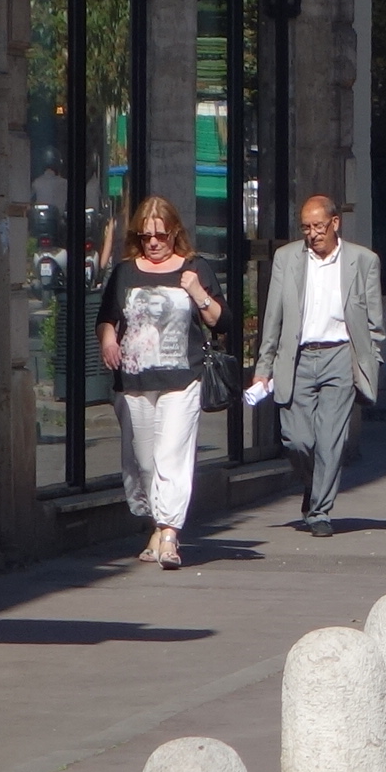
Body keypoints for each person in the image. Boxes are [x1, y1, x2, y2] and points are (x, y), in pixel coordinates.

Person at [104, 196, 223, 568]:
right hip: (136, 379)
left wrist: (199, 293)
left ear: (175, 233)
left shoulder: (194, 268)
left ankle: (169, 533)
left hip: (182, 377)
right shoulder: (125, 272)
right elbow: (108, 316)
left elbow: (223, 321)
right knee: (143, 461)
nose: (153, 243)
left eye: (160, 235)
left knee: (171, 454)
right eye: (146, 236)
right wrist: (108, 338)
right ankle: (156, 524)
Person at [259, 195, 386, 536]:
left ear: (335, 223)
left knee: (331, 440)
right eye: (305, 227)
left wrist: (371, 360)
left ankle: (319, 512)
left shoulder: (363, 261)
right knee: (297, 440)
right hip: (298, 358)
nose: (312, 234)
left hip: (340, 357)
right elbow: (274, 316)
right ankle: (314, 486)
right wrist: (263, 365)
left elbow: (375, 322)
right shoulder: (287, 259)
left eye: (317, 226)